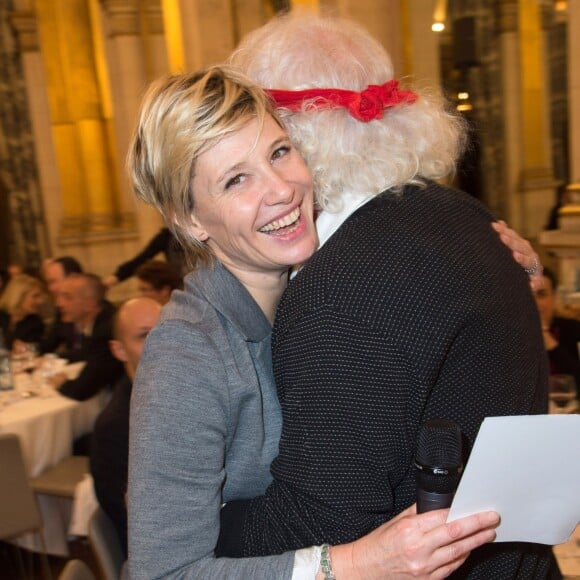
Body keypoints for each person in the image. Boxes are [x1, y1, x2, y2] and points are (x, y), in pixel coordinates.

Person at [127, 65, 501, 580]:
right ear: (188, 218)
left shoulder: (313, 280)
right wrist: (352, 564)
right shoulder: (187, 352)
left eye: (279, 152)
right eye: (237, 179)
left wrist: (506, 256)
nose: (282, 188)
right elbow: (161, 574)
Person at [214, 12, 553, 578]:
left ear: (289, 136)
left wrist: (189, 523)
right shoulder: (461, 213)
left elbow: (321, 521)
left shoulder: (345, 286)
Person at [90, 296, 161, 557]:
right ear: (119, 350)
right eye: (144, 336)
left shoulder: (167, 398)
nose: (160, 342)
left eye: (164, 329)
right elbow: (150, 527)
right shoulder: (119, 427)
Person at [49, 273, 124, 401]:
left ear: (89, 304)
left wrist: (62, 382)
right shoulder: (102, 318)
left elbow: (81, 391)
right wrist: (54, 357)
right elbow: (87, 353)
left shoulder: (105, 333)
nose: (59, 304)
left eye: (67, 297)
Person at [534, 266, 580, 386]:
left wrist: (552, 345)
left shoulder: (573, 330)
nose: (535, 303)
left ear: (554, 297)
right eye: (528, 296)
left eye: (542, 295)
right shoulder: (507, 336)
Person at [102, 227, 186, 289]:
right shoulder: (167, 236)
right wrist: (116, 277)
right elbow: (142, 259)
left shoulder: (198, 233)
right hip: (182, 289)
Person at [39, 255, 84, 356]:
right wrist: (29, 348)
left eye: (53, 281)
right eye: (48, 283)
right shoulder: (61, 310)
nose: (50, 288)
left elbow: (88, 353)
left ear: (73, 278)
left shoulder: (94, 307)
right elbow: (48, 345)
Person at [0, 274, 47, 348]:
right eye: (35, 296)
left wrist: (28, 347)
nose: (40, 301)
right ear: (19, 296)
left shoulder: (35, 322)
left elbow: (38, 348)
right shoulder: (2, 315)